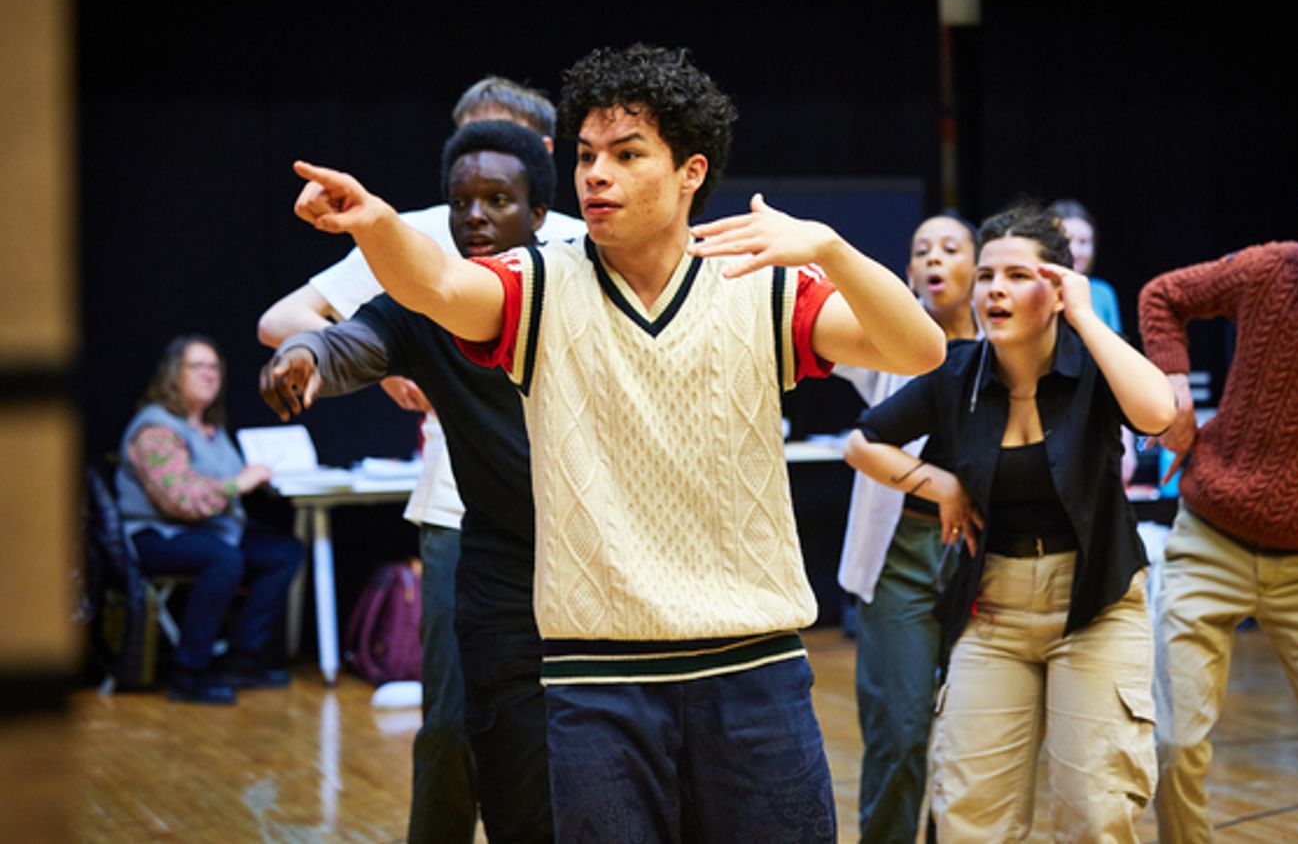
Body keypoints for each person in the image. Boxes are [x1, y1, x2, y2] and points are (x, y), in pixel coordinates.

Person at [288, 43, 946, 841]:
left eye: (628, 155)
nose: (596, 174)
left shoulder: (762, 285)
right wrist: (376, 224)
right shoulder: (537, 283)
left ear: (691, 172)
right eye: (588, 155)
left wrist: (832, 250)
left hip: (754, 671)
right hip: (595, 679)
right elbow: (434, 285)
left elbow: (920, 351)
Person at [256, 77, 582, 844]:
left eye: (496, 167)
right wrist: (387, 365)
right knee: (455, 720)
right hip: (460, 511)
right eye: (463, 160)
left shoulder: (574, 244)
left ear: (537, 168)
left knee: (574, 720)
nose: (475, 204)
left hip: (578, 522)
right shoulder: (420, 241)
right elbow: (297, 325)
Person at [846, 203, 1175, 842]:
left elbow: (1158, 412)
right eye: (988, 276)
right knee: (971, 815)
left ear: (1056, 286)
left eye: (1016, 276)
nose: (994, 289)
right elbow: (866, 440)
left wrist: (1082, 314)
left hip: (1097, 608)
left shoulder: (1091, 366)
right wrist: (933, 480)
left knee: (1095, 809)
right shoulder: (958, 372)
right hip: (993, 612)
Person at [1141, 151, 1298, 843]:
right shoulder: (1271, 269)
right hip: (1207, 542)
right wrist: (1171, 384)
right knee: (1174, 744)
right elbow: (1163, 295)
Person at [833, 211, 978, 843]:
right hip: (899, 554)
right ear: (910, 271)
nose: (935, 259)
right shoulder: (891, 343)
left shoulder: (1010, 349)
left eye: (951, 248)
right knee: (900, 732)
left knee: (969, 741)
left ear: (981, 268)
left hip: (984, 555)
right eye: (922, 250)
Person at [115, 335, 303, 705]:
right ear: (173, 374)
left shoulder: (212, 429)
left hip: (210, 529)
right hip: (154, 533)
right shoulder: (155, 428)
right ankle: (188, 671)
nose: (209, 374)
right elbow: (180, 499)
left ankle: (244, 658)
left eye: (214, 367)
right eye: (197, 366)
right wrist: (241, 481)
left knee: (284, 552)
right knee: (223, 559)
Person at [1051, 198, 1122, 333]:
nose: (1075, 251)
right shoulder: (1036, 289)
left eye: (1083, 242)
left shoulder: (1103, 292)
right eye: (1067, 241)